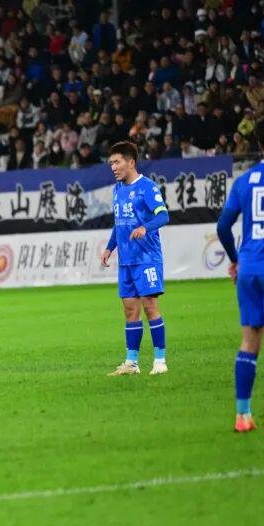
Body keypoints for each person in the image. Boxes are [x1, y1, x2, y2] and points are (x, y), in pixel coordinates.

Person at [216, 111, 264, 433]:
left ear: (259, 143)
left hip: (249, 266)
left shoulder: (245, 180)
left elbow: (223, 226)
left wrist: (235, 259)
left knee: (249, 342)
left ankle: (243, 416)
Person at [100, 141, 170, 376]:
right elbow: (119, 223)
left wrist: (144, 227)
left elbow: (163, 216)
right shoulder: (117, 190)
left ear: (131, 162)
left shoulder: (147, 187)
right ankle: (132, 363)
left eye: (117, 162)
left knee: (150, 307)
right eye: (111, 163)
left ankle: (160, 360)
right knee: (130, 310)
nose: (113, 167)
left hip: (147, 258)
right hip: (126, 261)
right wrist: (109, 248)